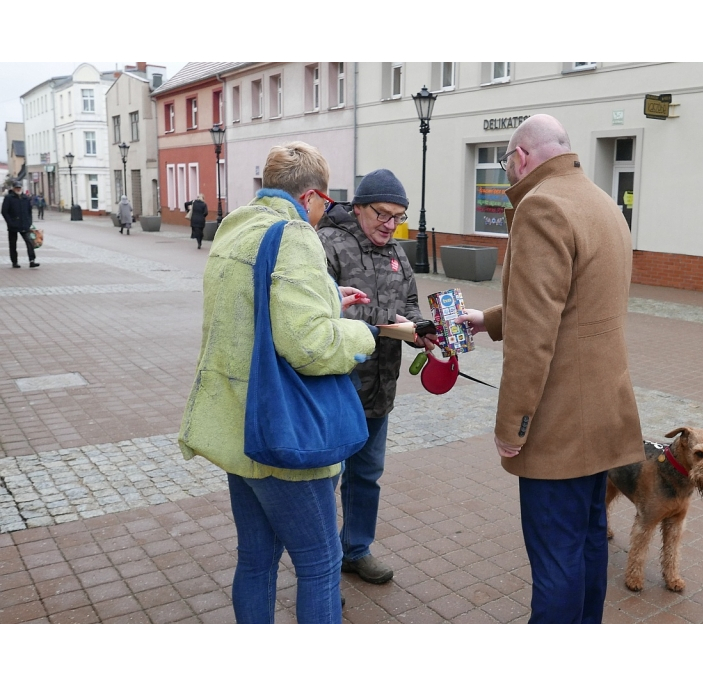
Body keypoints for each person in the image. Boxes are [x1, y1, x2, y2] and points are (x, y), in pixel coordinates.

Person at [178, 141, 377, 624]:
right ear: (310, 196)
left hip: (237, 427)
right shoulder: (294, 234)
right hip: (282, 433)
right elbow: (308, 344)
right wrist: (362, 334)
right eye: (324, 205)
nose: (321, 215)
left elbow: (254, 309)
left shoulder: (236, 228)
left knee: (256, 560)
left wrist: (328, 294)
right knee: (320, 563)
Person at [458, 114, 644, 623]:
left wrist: (512, 425)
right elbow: (575, 302)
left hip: (560, 421)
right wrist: (489, 320)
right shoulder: (603, 202)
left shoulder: (541, 206)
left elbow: (535, 335)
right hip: (603, 409)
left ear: (520, 157)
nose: (508, 175)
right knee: (587, 540)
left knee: (555, 556)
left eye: (506, 163)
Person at [316, 169, 435, 585]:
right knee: (326, 478)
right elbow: (325, 309)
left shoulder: (398, 253)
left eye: (397, 217)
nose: (390, 224)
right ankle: (323, 563)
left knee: (366, 475)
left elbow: (411, 304)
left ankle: (357, 549)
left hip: (380, 386)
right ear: (359, 207)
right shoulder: (327, 244)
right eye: (382, 214)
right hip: (337, 385)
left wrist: (422, 330)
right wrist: (391, 322)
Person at [2, 181, 39, 268]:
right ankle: (14, 262)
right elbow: (4, 212)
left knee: (29, 242)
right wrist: (10, 222)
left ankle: (32, 260)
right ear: (13, 188)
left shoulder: (25, 198)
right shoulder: (9, 198)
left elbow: (29, 211)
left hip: (24, 224)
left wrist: (29, 221)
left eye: (19, 188)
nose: (18, 189)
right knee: (13, 244)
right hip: (13, 225)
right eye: (16, 188)